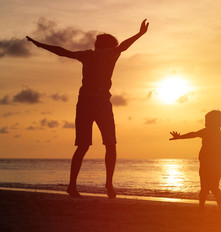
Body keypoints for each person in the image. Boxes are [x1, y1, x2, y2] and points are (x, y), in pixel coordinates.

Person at [26, 19, 149, 199]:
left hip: (85, 103)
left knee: (87, 146)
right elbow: (123, 46)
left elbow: (63, 52)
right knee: (109, 144)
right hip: (98, 103)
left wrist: (39, 44)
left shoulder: (88, 55)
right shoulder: (110, 53)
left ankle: (75, 185)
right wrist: (140, 34)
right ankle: (105, 184)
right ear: (108, 46)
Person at [169, 110, 221, 211]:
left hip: (207, 163)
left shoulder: (207, 132)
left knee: (205, 187)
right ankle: (218, 209)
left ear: (216, 123)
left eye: (207, 121)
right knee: (213, 187)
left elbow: (193, 134)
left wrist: (179, 137)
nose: (205, 123)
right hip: (214, 164)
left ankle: (203, 209)